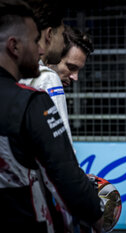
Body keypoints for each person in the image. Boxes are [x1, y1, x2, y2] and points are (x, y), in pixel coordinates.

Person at [0, 0, 103, 232]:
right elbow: (61, 167)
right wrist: (94, 214)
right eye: (36, 40)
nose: (41, 50)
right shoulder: (35, 95)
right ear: (14, 46)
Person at [19, 0, 73, 144]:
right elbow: (63, 144)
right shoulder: (47, 78)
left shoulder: (13, 73)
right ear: (49, 34)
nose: (63, 43)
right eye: (62, 35)